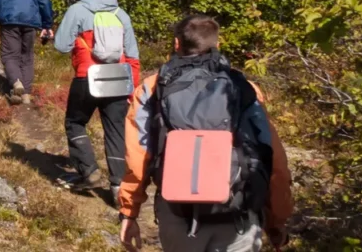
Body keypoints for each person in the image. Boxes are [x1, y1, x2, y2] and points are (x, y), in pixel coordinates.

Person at [118, 14, 293, 252]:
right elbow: (273, 161)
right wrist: (276, 220)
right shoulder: (245, 89)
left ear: (177, 44)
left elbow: (138, 157)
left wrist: (129, 212)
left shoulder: (151, 88)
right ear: (217, 45)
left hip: (177, 214)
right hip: (238, 215)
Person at [53, 0, 141, 198]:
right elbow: (132, 55)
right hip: (120, 78)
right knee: (115, 131)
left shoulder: (77, 10)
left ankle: (89, 170)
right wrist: (133, 88)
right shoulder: (121, 14)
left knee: (75, 122)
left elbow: (61, 45)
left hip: (87, 76)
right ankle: (119, 189)